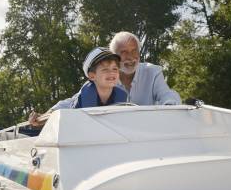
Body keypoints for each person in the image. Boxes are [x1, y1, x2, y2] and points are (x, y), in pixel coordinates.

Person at [29, 31, 181, 126]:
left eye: (134, 51)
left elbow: (167, 95)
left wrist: (171, 107)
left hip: (146, 133)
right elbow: (70, 102)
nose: (131, 57)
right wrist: (44, 116)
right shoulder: (100, 79)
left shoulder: (153, 72)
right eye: (124, 52)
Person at [29, 47, 127, 126]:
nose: (111, 73)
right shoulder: (84, 97)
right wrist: (43, 117)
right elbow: (63, 107)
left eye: (115, 69)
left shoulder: (121, 95)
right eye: (105, 69)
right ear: (92, 76)